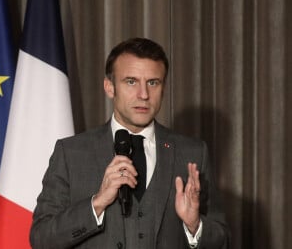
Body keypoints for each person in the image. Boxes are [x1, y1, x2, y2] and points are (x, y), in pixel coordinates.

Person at [30, 37, 230, 248]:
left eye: (153, 83)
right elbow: (41, 239)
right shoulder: (71, 153)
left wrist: (194, 225)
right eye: (131, 81)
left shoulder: (193, 153)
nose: (143, 95)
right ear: (109, 87)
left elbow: (223, 241)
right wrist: (96, 203)